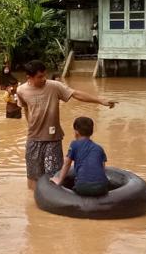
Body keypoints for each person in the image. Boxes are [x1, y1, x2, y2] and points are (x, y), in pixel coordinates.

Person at [17, 60, 115, 191]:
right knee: (33, 175)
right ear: (29, 77)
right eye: (40, 77)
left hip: (53, 139)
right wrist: (30, 124)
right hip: (33, 139)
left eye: (45, 75)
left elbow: (76, 94)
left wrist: (100, 100)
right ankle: (34, 205)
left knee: (54, 173)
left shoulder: (54, 86)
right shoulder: (21, 90)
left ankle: (53, 204)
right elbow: (25, 109)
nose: (44, 79)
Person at [52, 116, 110, 196]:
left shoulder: (74, 144)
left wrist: (60, 180)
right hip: (102, 188)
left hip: (82, 187)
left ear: (76, 132)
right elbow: (102, 169)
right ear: (92, 132)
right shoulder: (99, 148)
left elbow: (67, 164)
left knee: (78, 187)